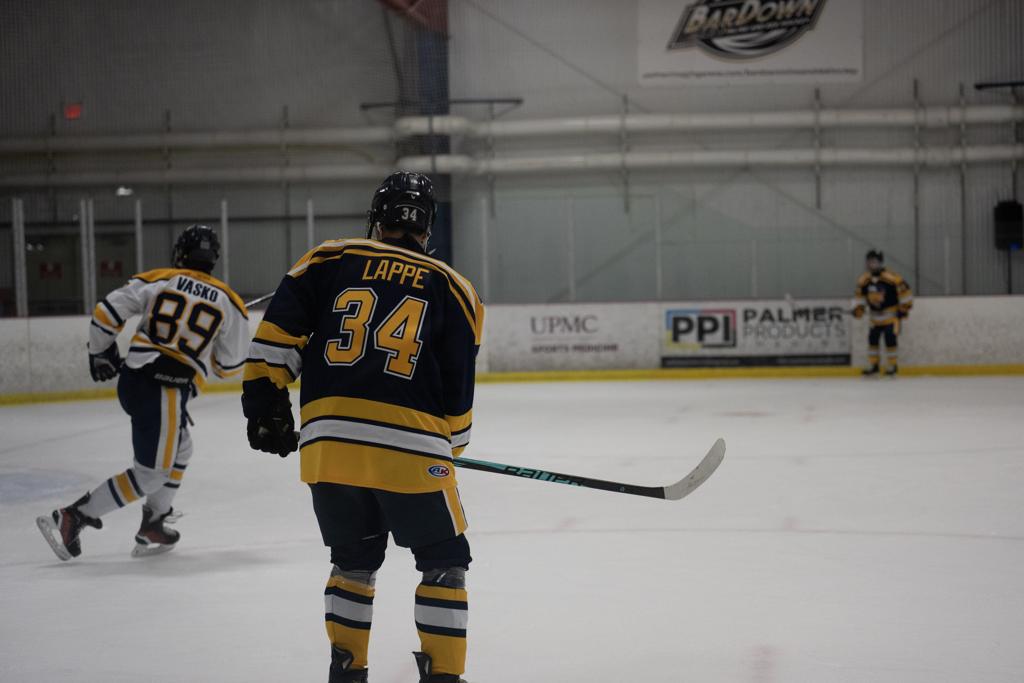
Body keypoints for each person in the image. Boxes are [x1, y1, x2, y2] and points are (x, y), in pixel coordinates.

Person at [241, 171, 483, 683]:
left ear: (377, 218)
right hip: (414, 450)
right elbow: (458, 388)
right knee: (444, 561)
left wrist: (265, 406)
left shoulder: (328, 258)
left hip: (329, 447)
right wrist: (453, 446)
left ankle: (346, 672)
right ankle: (443, 676)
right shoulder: (453, 287)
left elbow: (275, 341)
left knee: (352, 562)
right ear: (427, 226)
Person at [37, 224, 249, 560]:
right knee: (152, 474)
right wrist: (206, 345)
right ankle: (74, 516)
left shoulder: (160, 278)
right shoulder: (230, 301)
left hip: (138, 378)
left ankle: (154, 522)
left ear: (181, 254)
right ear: (214, 259)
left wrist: (100, 352)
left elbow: (107, 312)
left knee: (182, 449)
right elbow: (230, 366)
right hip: (165, 388)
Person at [853, 249, 913, 376]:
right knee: (872, 340)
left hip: (891, 317)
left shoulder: (892, 278)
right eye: (870, 262)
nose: (872, 265)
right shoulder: (864, 280)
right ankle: (874, 366)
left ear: (881, 263)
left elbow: (905, 293)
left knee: (890, 338)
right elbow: (860, 297)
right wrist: (859, 309)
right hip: (874, 318)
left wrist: (904, 309)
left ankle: (892, 366)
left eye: (875, 262)